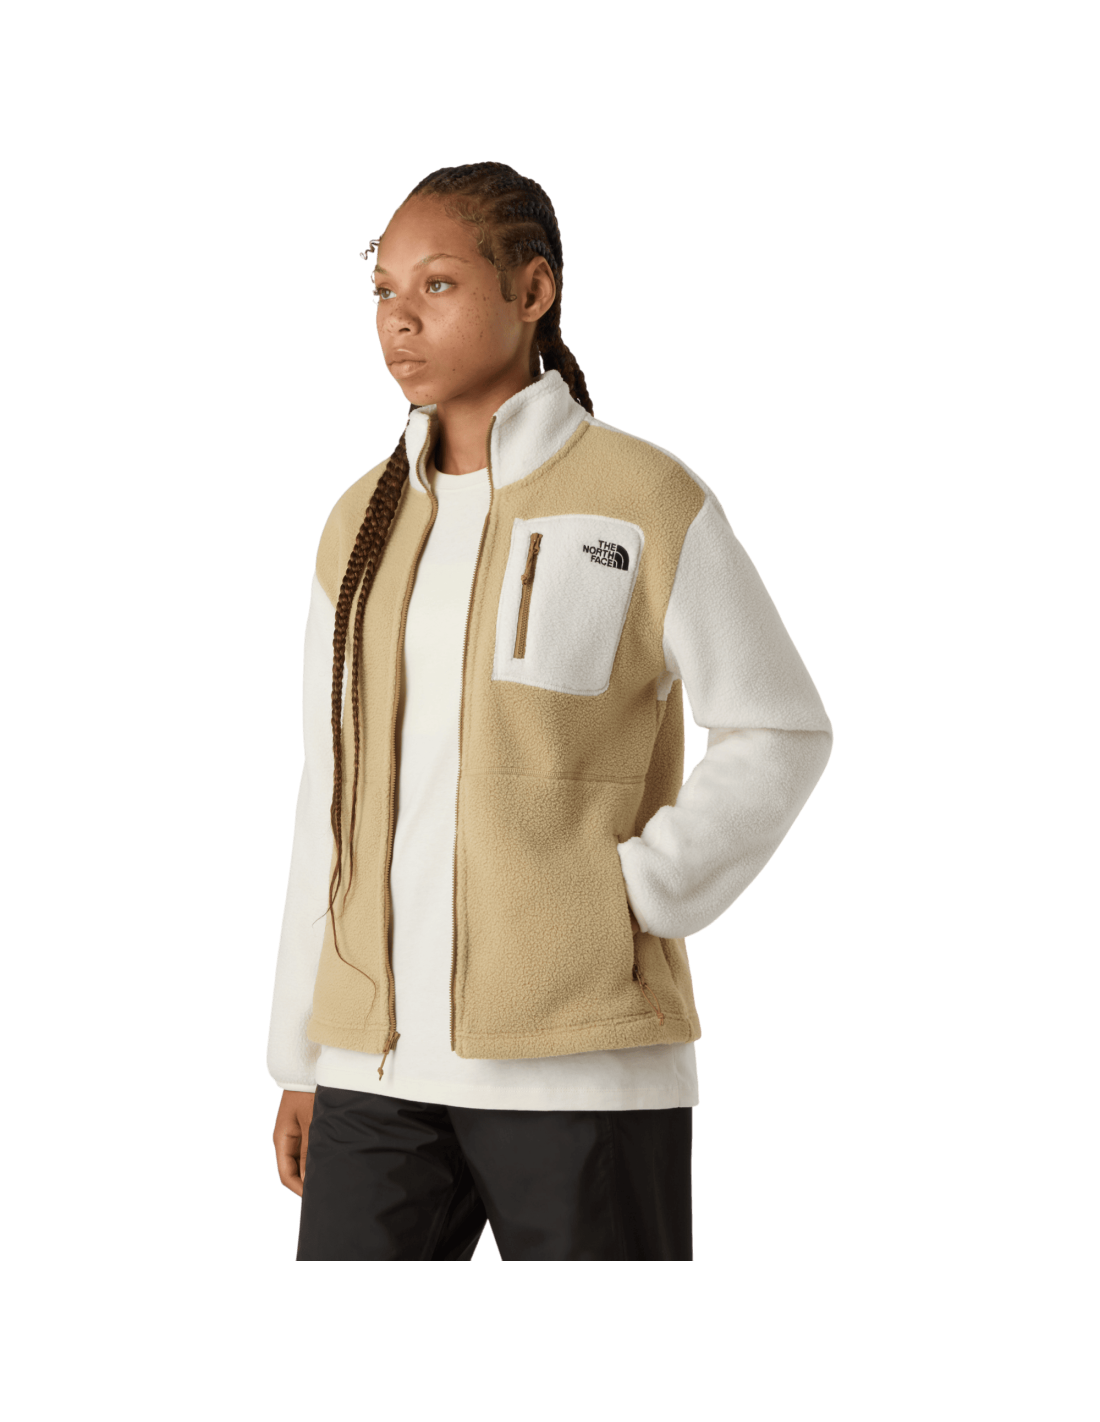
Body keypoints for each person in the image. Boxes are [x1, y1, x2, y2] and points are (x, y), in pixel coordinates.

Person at [266, 161, 834, 1260]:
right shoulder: (358, 522)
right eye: (383, 292)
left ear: (531, 292)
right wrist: (302, 1054)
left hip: (583, 1066)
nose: (398, 320)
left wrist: (639, 892)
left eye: (436, 285)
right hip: (375, 1068)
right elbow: (327, 792)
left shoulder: (642, 496)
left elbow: (779, 727)